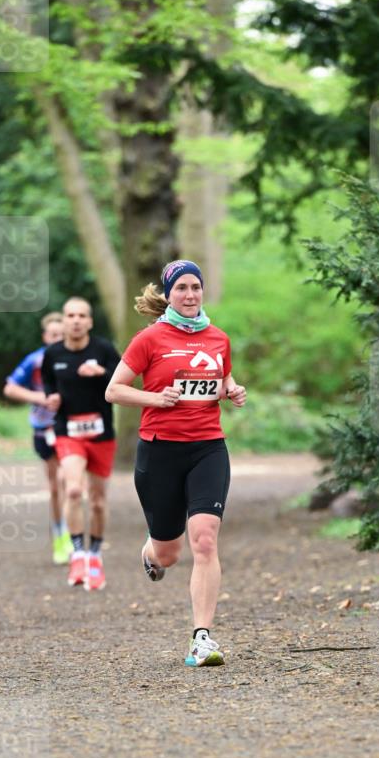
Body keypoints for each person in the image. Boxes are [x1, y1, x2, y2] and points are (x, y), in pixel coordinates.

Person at [105, 259, 246, 666]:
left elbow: (220, 379)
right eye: (181, 288)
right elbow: (114, 391)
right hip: (160, 450)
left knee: (204, 537)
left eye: (196, 288)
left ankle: (202, 639)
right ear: (168, 294)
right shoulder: (149, 339)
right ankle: (151, 553)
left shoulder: (218, 338)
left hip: (207, 447)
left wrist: (232, 390)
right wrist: (155, 398)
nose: (190, 295)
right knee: (170, 553)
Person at [41, 297, 121, 591]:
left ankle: (95, 556)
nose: (75, 320)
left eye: (81, 315)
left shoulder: (103, 350)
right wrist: (52, 398)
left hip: (101, 434)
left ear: (89, 321)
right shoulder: (53, 353)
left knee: (98, 502)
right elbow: (49, 383)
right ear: (63, 321)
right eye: (70, 315)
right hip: (68, 431)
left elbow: (125, 379)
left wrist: (102, 373)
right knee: (73, 490)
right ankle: (77, 554)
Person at [3, 312, 73, 565]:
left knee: (69, 481)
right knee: (55, 486)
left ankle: (72, 535)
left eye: (62, 335)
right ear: (45, 337)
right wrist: (39, 398)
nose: (58, 339)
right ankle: (59, 535)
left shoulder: (75, 358)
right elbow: (10, 387)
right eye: (53, 335)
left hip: (71, 428)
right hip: (44, 429)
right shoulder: (34, 361)